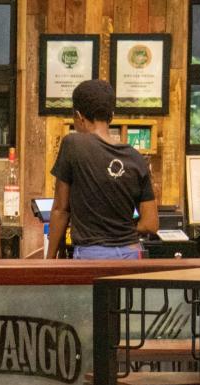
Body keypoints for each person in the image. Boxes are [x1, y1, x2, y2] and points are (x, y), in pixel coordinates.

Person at [45, 79, 159, 260]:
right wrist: (121, 230)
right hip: (131, 252)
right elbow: (151, 224)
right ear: (111, 116)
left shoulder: (74, 144)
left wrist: (50, 259)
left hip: (92, 255)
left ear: (78, 116)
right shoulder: (135, 157)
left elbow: (60, 209)